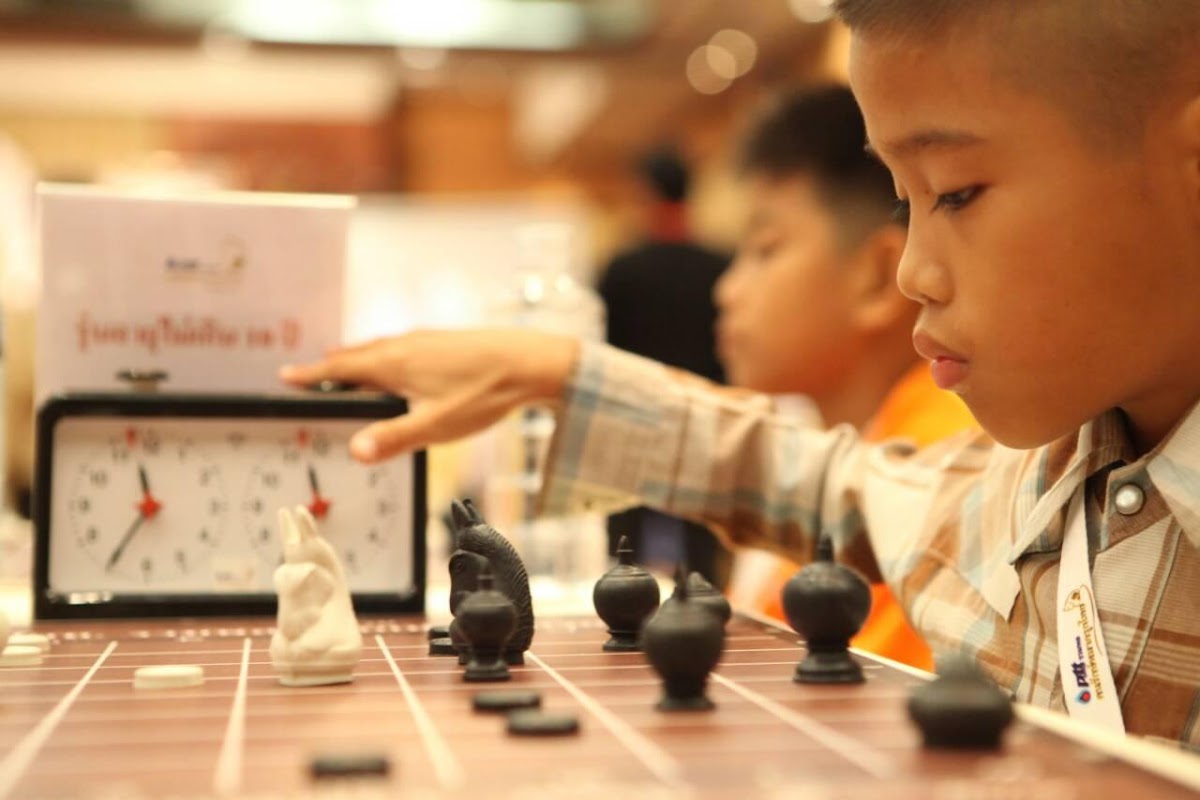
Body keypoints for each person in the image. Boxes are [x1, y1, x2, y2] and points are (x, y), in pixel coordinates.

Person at [281, 0, 1200, 744]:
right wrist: (556, 370)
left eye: (956, 193)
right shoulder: (1029, 489)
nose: (915, 271)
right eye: (906, 202)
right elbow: (816, 479)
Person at [717, 84, 977, 670]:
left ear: (878, 275)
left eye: (765, 249)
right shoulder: (824, 447)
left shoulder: (939, 456)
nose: (727, 290)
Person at [597, 145, 732, 587]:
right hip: (704, 414)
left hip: (634, 415)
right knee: (701, 542)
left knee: (625, 541)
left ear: (646, 194)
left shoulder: (621, 270)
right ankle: (707, 603)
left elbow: (607, 352)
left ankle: (622, 603)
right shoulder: (718, 265)